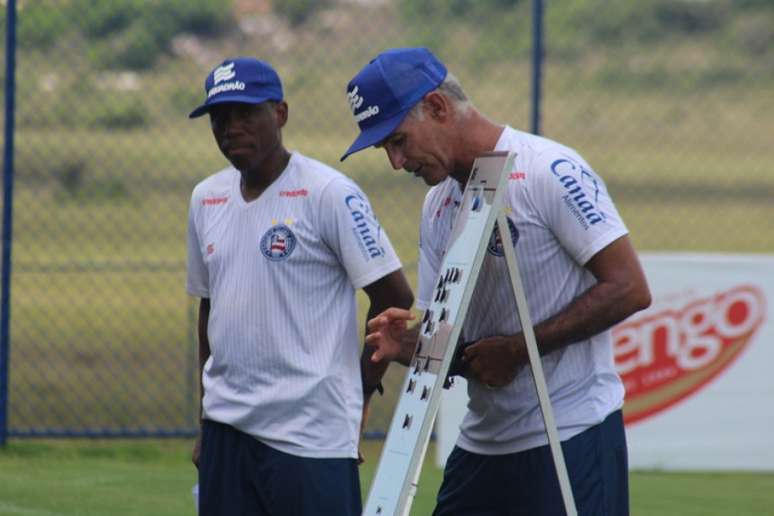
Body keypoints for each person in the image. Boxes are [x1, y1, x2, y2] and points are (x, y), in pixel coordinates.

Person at [341, 47, 652, 516]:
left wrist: (519, 349)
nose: (396, 162)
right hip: (482, 444)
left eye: (398, 140)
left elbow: (630, 288)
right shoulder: (438, 205)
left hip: (569, 434)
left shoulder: (549, 170)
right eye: (386, 148)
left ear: (439, 107)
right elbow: (456, 343)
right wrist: (410, 346)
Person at [185, 56, 413, 516]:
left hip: (311, 436)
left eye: (246, 113)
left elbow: (394, 299)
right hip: (227, 432)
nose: (231, 128)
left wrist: (362, 391)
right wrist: (207, 419)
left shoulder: (328, 193)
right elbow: (210, 313)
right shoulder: (205, 197)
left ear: (281, 114)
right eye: (220, 117)